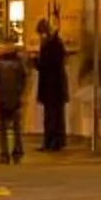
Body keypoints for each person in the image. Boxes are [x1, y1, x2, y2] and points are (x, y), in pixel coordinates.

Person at [0, 33, 31, 164]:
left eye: (10, 44)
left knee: (17, 128)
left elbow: (26, 79)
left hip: (16, 97)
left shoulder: (19, 61)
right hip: (2, 97)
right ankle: (4, 153)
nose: (8, 46)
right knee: (2, 129)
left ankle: (17, 152)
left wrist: (24, 95)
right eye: (6, 44)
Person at [34, 16, 70, 152]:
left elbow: (46, 65)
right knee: (57, 115)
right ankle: (57, 141)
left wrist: (35, 62)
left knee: (51, 116)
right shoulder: (56, 43)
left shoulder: (50, 45)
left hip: (51, 87)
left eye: (40, 33)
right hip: (57, 86)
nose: (39, 37)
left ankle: (51, 142)